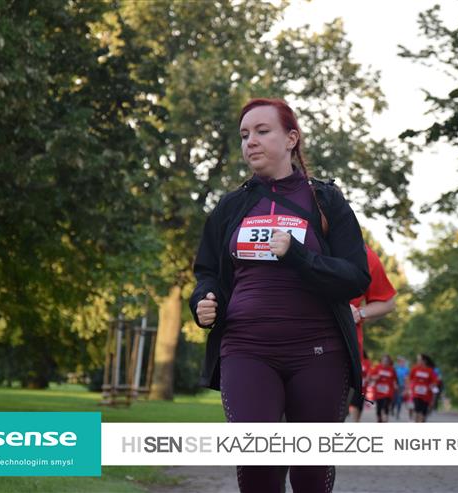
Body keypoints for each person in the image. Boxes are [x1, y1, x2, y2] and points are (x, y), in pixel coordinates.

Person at [189, 98, 370, 493]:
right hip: (246, 348)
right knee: (258, 463)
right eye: (244, 135)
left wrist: (297, 255)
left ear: (291, 139)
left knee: (310, 472)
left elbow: (356, 277)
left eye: (262, 131)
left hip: (318, 352)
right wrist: (204, 300)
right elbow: (207, 273)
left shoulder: (326, 201)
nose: (250, 141)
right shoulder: (231, 207)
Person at [346, 246, 397, 422]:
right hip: (279, 345)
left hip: (341, 353)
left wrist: (359, 313)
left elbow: (388, 303)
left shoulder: (364, 254)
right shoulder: (288, 238)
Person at [405, 353, 439, 423]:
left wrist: (433, 385)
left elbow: (435, 381)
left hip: (426, 395)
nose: (418, 361)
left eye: (419, 360)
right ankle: (416, 421)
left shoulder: (430, 371)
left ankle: (421, 420)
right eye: (417, 360)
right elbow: (409, 378)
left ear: (424, 361)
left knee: (423, 412)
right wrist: (408, 388)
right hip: (416, 393)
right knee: (417, 409)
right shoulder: (415, 369)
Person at [367, 354, 397, 422]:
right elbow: (369, 377)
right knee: (379, 409)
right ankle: (379, 421)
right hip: (378, 392)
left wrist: (395, 385)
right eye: (384, 361)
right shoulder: (377, 367)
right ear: (381, 361)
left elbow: (395, 379)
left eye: (387, 361)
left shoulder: (392, 369)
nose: (385, 362)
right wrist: (375, 377)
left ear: (389, 362)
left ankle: (385, 421)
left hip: (388, 392)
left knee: (385, 406)